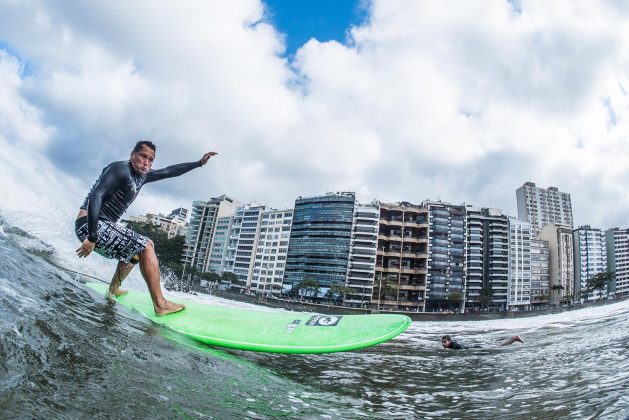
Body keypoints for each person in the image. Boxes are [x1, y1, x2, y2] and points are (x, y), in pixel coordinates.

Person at [75, 140, 217, 315]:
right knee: (146, 245)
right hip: (89, 225)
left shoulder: (143, 176)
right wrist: (92, 236)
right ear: (132, 155)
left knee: (134, 252)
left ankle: (113, 289)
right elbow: (96, 196)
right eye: (143, 156)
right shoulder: (119, 169)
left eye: (151, 160)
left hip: (103, 226)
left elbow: (169, 171)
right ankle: (160, 304)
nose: (146, 162)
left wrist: (198, 163)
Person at [441, 334, 524, 350]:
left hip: (478, 347)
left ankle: (514, 338)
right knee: (499, 346)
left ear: (450, 341)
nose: (443, 344)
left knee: (499, 347)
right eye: (442, 342)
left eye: (445, 342)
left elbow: (464, 349)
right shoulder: (452, 345)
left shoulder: (455, 345)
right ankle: (514, 339)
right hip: (476, 346)